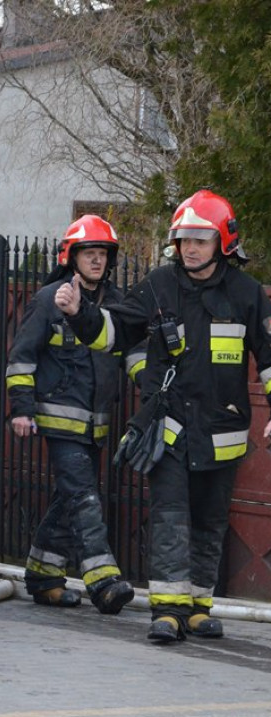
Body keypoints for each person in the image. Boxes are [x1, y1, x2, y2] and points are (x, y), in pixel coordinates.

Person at [55, 190, 271, 643]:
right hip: (169, 428)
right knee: (171, 515)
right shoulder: (157, 286)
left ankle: (197, 606)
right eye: (182, 240)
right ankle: (168, 609)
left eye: (200, 239)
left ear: (223, 242)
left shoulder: (247, 295)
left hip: (223, 430)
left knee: (210, 521)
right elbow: (114, 334)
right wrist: (79, 315)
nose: (189, 248)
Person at [5, 215, 136, 615]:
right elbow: (21, 358)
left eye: (102, 254)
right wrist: (22, 410)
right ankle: (103, 579)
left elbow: (132, 349)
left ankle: (43, 576)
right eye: (89, 254)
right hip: (59, 420)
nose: (96, 262)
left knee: (68, 499)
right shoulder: (49, 299)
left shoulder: (116, 303)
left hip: (96, 422)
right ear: (71, 257)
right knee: (83, 497)